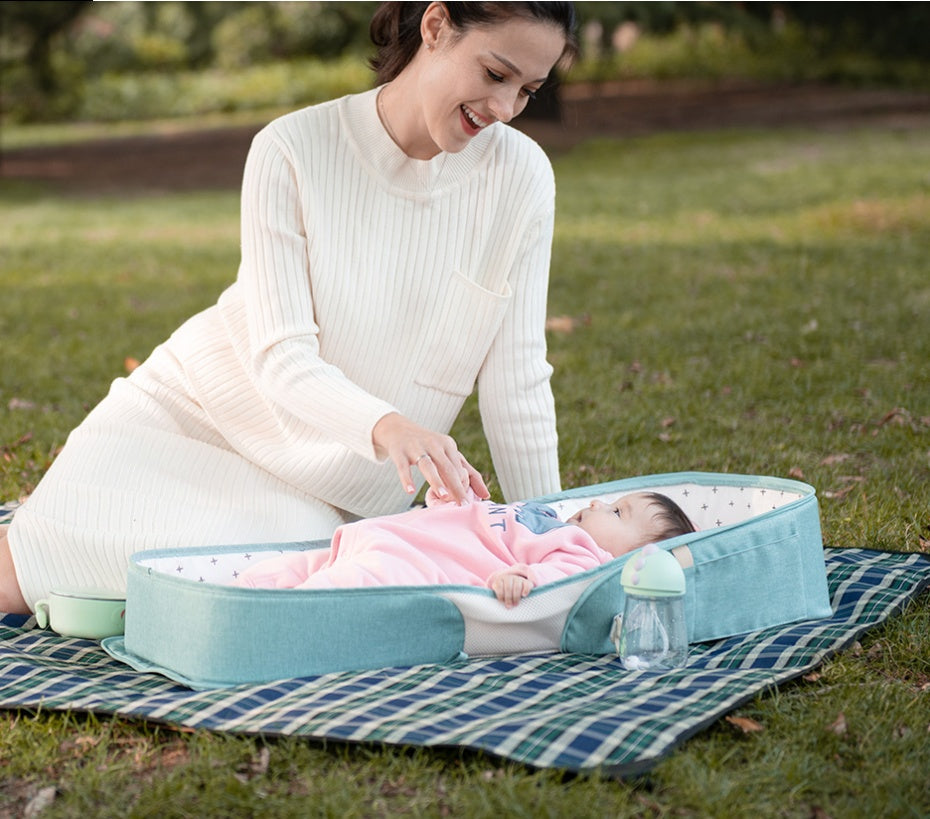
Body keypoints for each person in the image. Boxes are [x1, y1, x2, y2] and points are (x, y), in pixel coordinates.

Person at [0, 2, 579, 615]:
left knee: (285, 578)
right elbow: (282, 358)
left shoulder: (522, 177)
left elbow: (517, 382)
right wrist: (389, 426)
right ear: (435, 28)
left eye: (528, 90)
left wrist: (555, 541)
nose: (506, 108)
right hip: (192, 418)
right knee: (22, 571)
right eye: (495, 75)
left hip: (333, 498)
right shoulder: (292, 148)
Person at [238, 490, 696, 608]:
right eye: (612, 503)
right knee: (300, 565)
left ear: (625, 560)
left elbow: (563, 585)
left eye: (616, 514)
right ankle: (242, 591)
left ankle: (282, 615)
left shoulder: (582, 554)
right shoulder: (549, 518)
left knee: (342, 584)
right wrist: (451, 497)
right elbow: (482, 520)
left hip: (413, 563)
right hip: (396, 531)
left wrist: (524, 579)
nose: (598, 504)